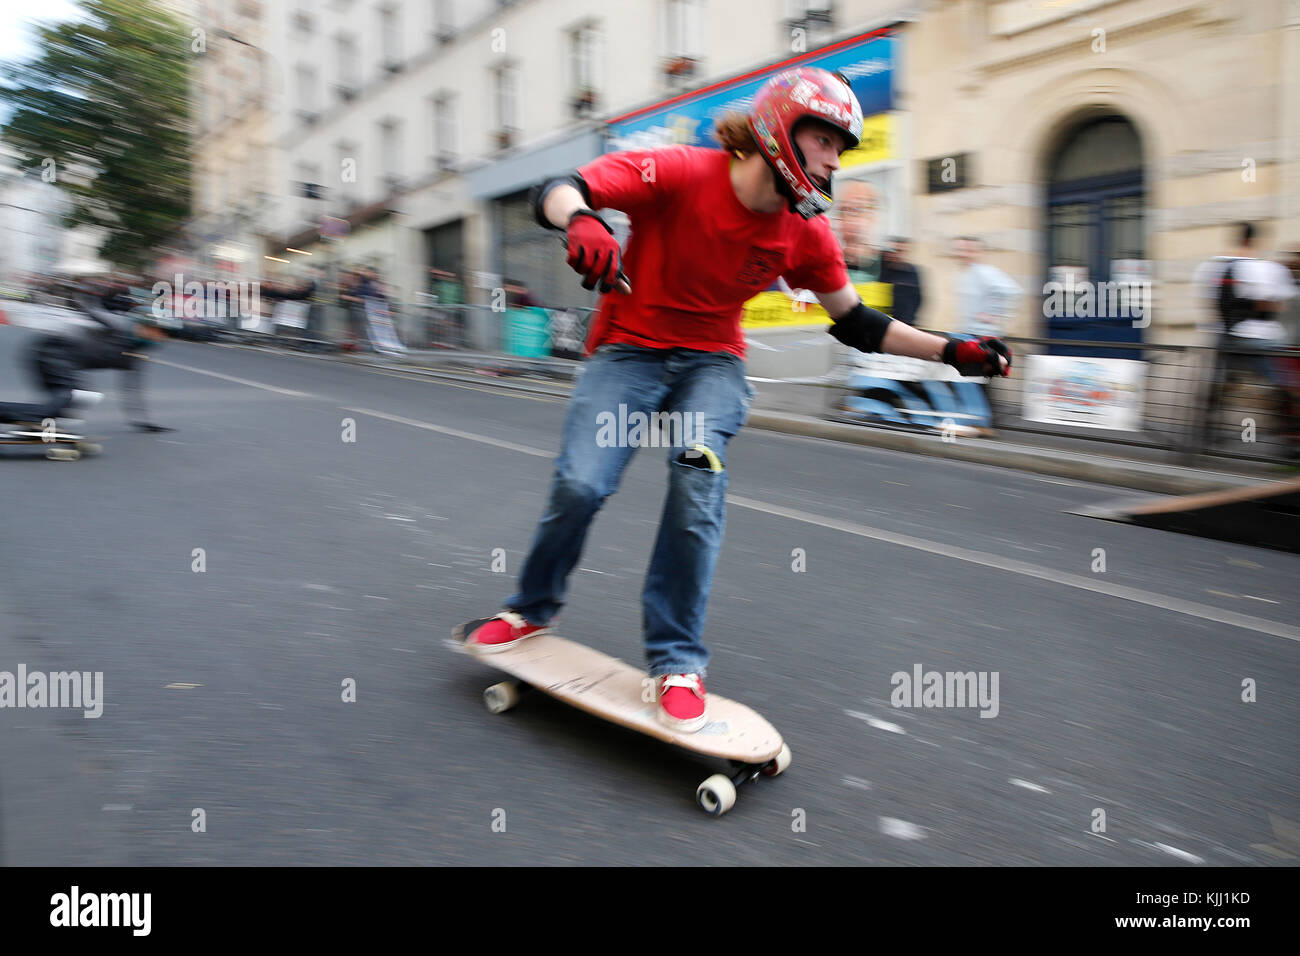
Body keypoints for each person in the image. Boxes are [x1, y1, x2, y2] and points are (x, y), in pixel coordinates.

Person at [453, 68, 1011, 732]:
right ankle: (531, 607)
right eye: (826, 139)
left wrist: (952, 351)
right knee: (581, 483)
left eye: (843, 146)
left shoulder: (806, 232)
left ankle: (677, 661)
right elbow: (559, 188)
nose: (836, 158)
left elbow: (858, 323)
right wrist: (582, 222)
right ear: (779, 130)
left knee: (696, 471)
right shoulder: (683, 172)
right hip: (628, 350)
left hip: (711, 363)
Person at [1191, 222, 1297, 447]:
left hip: (1227, 337)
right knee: (1281, 385)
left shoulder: (1214, 266)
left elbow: (1209, 302)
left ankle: (1204, 435)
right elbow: (1282, 305)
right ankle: (1289, 439)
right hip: (1261, 339)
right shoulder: (1271, 269)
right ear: (1256, 241)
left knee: (1219, 384)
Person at [953, 236, 1020, 338]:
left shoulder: (986, 272)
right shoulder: (966, 274)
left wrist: (994, 316)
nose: (963, 254)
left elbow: (1013, 292)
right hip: (968, 333)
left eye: (970, 251)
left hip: (983, 335)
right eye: (960, 250)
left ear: (979, 253)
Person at [879, 237, 923, 326]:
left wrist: (912, 319)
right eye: (896, 250)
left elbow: (919, 298)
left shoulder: (913, 272)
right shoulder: (884, 270)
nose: (899, 255)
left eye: (902, 251)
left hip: (906, 323)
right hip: (884, 321)